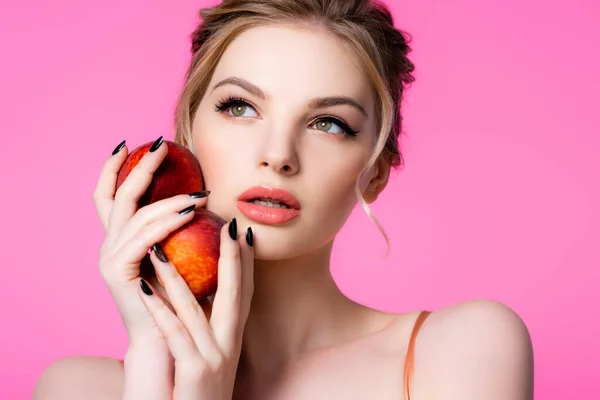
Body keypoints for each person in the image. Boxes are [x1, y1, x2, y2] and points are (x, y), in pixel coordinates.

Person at [33, 0, 534, 399]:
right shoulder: (78, 389)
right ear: (186, 136)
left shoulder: (463, 350)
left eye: (328, 124)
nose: (278, 156)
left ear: (375, 172)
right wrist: (157, 361)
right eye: (240, 107)